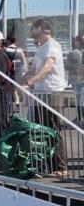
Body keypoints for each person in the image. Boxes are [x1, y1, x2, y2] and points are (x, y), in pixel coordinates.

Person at [22, 19, 69, 177]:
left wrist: (30, 82)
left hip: (52, 92)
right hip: (40, 93)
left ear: (41, 29)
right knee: (41, 129)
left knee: (54, 129)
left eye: (35, 28)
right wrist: (20, 81)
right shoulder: (41, 48)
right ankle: (46, 164)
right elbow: (34, 69)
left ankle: (61, 166)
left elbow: (47, 68)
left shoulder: (52, 46)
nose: (33, 31)